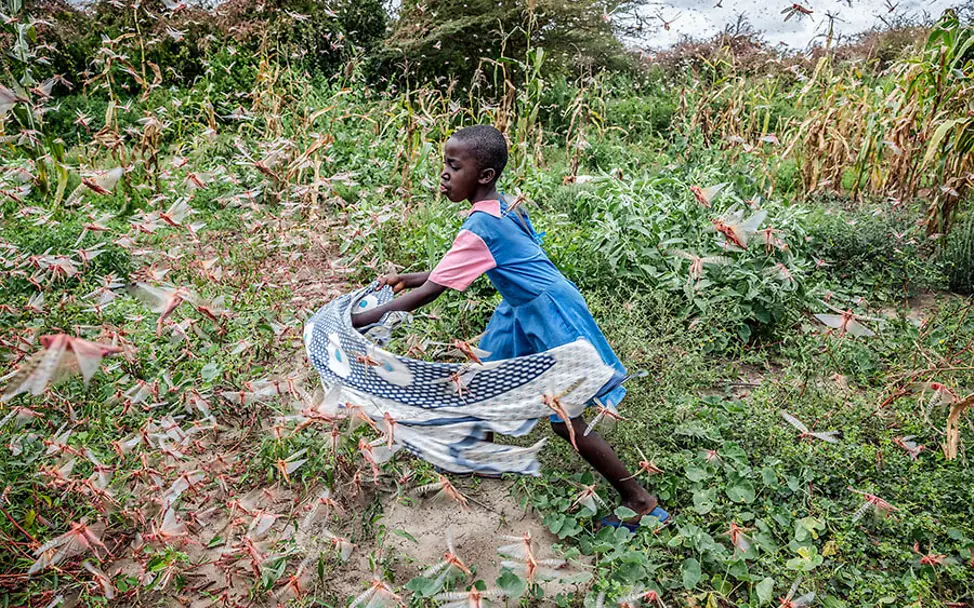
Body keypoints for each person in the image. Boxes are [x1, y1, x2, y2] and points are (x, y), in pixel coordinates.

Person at [351, 125, 667, 528]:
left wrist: (358, 320)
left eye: (454, 166)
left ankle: (640, 501)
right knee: (481, 379)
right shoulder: (504, 206)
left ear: (484, 176)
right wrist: (415, 276)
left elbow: (432, 293)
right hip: (521, 308)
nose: (444, 175)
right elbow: (473, 265)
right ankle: (483, 459)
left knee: (565, 418)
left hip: (550, 314)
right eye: (444, 165)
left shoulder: (480, 227)